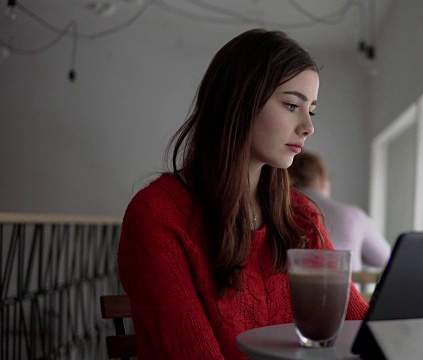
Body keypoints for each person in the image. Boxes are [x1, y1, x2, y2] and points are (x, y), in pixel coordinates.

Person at [117, 29, 369, 359]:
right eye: (292, 105)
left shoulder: (300, 214)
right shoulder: (157, 214)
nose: (308, 127)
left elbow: (357, 325)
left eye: (312, 110)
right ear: (238, 102)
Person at [288, 151, 391, 272]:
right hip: (343, 290)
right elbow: (385, 259)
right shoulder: (353, 215)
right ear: (323, 176)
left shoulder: (276, 213)